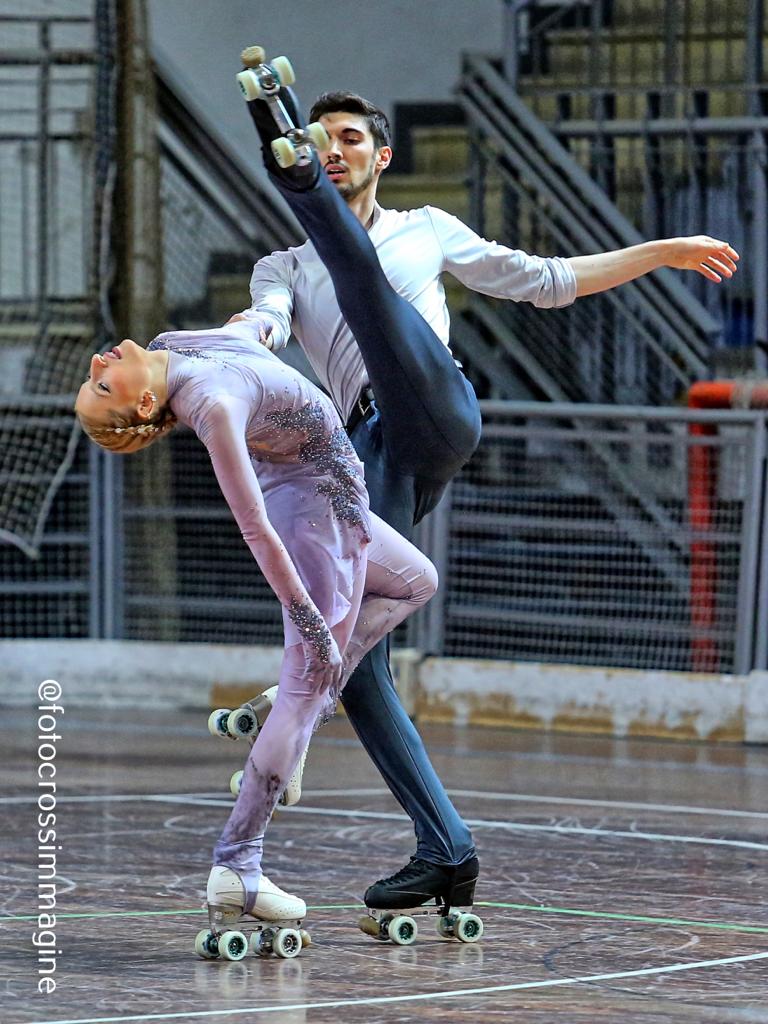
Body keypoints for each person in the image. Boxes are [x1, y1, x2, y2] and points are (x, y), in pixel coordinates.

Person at [232, 57, 740, 910]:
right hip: (374, 453)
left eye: (347, 139)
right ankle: (447, 848)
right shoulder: (281, 266)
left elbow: (546, 281)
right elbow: (267, 323)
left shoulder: (426, 228)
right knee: (358, 665)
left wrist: (666, 252)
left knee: (363, 281)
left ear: (379, 156)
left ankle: (273, 132)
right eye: (320, 142)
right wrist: (237, 336)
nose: (338, 149)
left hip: (434, 403)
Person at [74, 322, 438, 934]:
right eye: (102, 385)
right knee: (308, 682)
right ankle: (237, 863)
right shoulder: (212, 406)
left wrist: (267, 314)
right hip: (312, 525)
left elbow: (244, 335)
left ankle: (299, 714)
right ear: (144, 403)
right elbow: (255, 528)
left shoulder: (169, 345)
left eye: (94, 379)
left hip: (341, 503)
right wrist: (307, 618)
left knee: (417, 580)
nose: (95, 363)